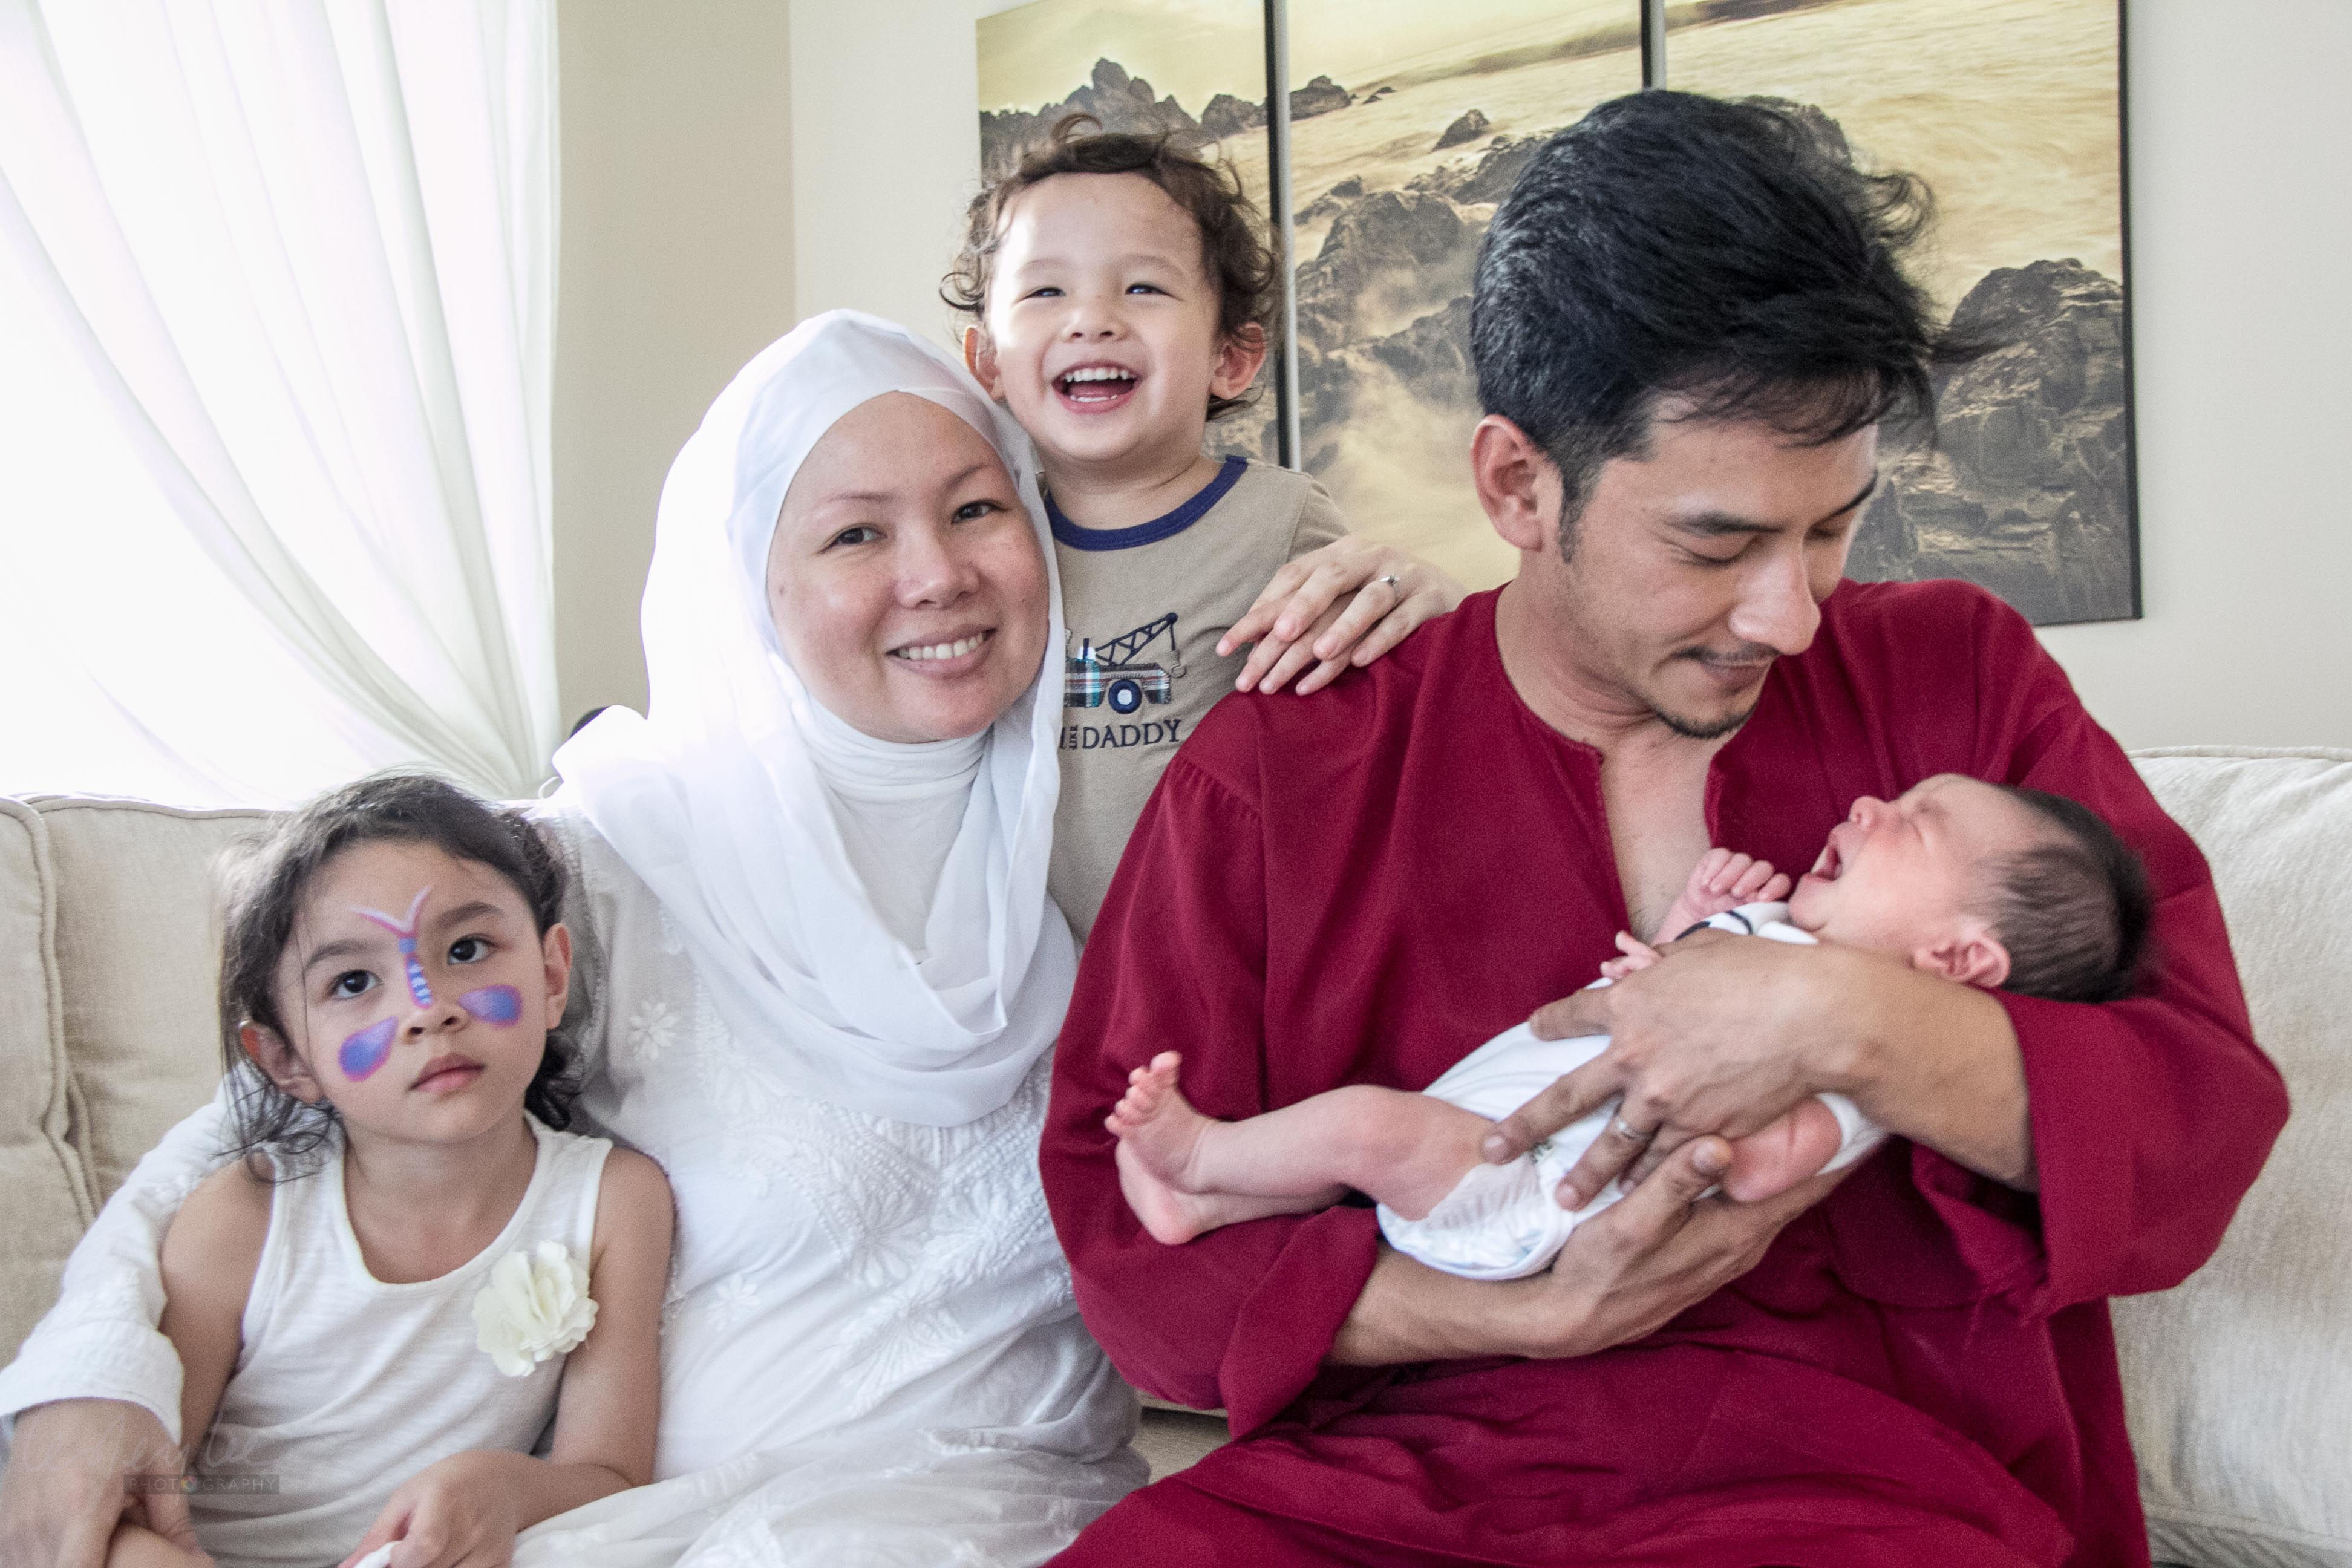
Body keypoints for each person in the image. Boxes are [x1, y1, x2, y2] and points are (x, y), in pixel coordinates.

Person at [1040, 92, 2287, 1566]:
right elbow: (1133, 1257)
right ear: (1518, 484)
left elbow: (2193, 1130)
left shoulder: (1959, 680)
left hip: (1868, 1499)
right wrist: (1521, 1314)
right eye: (1718, 543)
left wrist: (1840, 1018)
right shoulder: (1282, 774)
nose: (1791, 615)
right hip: (1388, 1499)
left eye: (1833, 528)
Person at [1, 313, 1143, 1567]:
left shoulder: (1125, 836)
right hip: (670, 1531)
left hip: (1038, 1513)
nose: (935, 575)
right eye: (855, 534)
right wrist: (85, 1380)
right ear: (749, 584)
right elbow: (245, 1129)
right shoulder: (595, 868)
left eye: (977, 509)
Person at [1106, 776, 2152, 1288]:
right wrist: (1693, 922)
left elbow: (1761, 1165)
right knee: (1359, 1158)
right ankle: (1211, 1203)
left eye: (1916, 825)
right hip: (1489, 1120)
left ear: (1958, 961)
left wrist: (1735, 1101)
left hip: (1529, 1192)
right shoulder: (1779, 929)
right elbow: (1656, 982)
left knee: (1365, 1132)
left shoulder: (1865, 1073)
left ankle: (1202, 1157)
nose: (1874, 803)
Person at [102, 774, 672, 1568]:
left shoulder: (615, 1201)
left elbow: (611, 1476)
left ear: (550, 977)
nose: (427, 1008)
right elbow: (129, 1498)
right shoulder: (244, 1219)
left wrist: (504, 1485)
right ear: (286, 1060)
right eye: (353, 983)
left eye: (466, 950)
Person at [946, 116, 1460, 936]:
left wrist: (1433, 606)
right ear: (987, 362)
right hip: (1038, 978)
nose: (1091, 319)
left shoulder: (1277, 521)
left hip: (1222, 966)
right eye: (1045, 292)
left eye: (1142, 288)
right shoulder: (986, 543)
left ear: (1233, 357)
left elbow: (1395, 724)